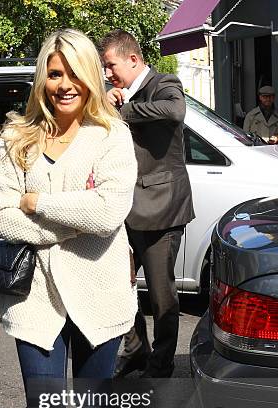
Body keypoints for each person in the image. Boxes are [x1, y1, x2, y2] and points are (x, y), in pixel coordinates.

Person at [0, 29, 137, 408]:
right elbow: (2, 214)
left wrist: (41, 204)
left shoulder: (111, 136)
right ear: (42, 79)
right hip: (36, 301)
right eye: (54, 74)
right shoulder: (16, 138)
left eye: (74, 72)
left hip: (98, 296)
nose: (64, 84)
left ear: (91, 76)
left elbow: (109, 212)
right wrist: (57, 222)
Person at [99, 29, 194, 378]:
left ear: (133, 59)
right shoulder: (117, 94)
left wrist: (124, 109)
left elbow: (175, 110)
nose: (108, 73)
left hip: (161, 208)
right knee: (120, 286)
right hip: (124, 209)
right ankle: (137, 350)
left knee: (161, 295)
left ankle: (162, 363)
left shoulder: (163, 83)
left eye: (111, 65)